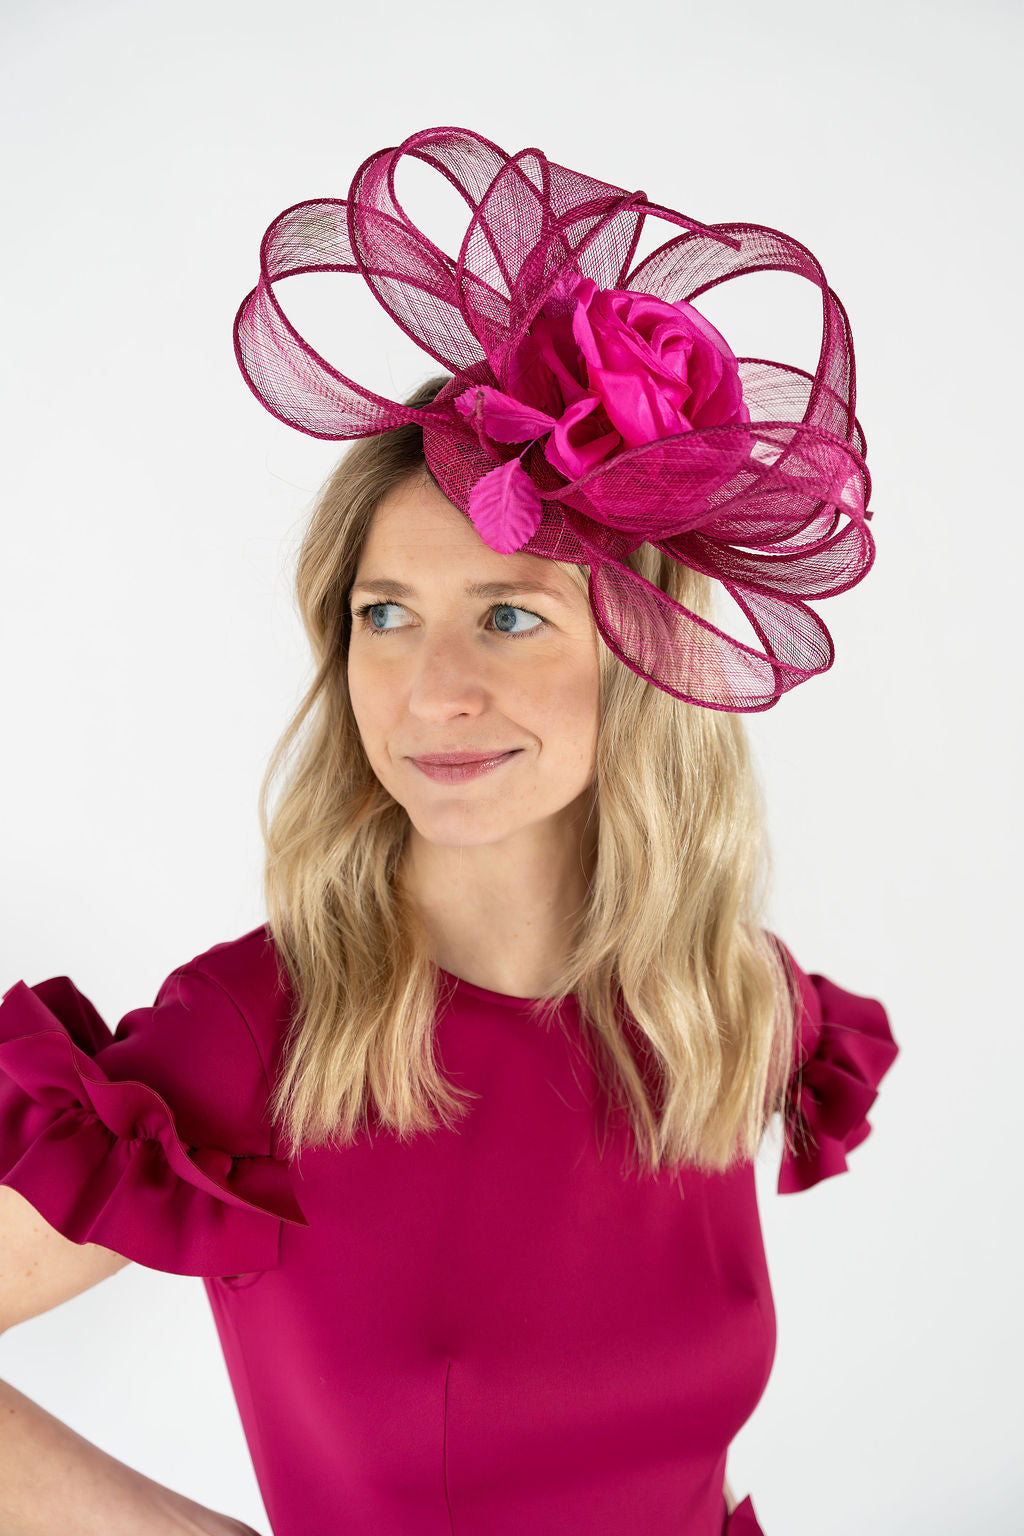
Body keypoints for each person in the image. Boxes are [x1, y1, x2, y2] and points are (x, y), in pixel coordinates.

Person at [0, 127, 899, 1536]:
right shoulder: (255, 1035)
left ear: (646, 659)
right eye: (386, 616)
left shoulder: (727, 1001)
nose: (432, 690)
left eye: (509, 615)